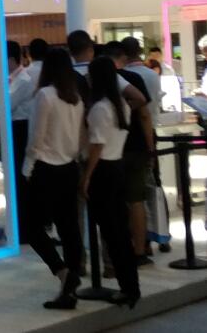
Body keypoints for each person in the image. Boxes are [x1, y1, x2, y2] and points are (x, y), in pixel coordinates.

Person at [23, 48, 84, 310]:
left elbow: (36, 137)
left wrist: (27, 168)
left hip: (45, 169)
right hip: (69, 168)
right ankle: (69, 284)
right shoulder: (76, 99)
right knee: (69, 229)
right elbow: (79, 138)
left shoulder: (45, 95)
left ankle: (62, 273)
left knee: (32, 228)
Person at [81, 58, 140, 308]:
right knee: (120, 233)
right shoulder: (122, 105)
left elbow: (96, 146)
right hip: (117, 167)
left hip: (102, 171)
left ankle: (127, 289)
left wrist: (86, 177)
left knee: (111, 233)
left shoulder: (99, 108)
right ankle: (131, 286)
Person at [107, 41, 157, 264]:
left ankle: (117, 252)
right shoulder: (133, 79)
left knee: (114, 203)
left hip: (110, 149)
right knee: (136, 200)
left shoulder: (100, 81)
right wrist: (150, 147)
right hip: (136, 146)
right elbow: (145, 115)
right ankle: (139, 250)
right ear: (124, 57)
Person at [3, 41, 36, 242]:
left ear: (10, 59)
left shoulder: (23, 80)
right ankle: (20, 227)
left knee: (20, 181)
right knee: (15, 180)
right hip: (15, 129)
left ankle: (25, 229)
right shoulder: (12, 79)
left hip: (20, 130)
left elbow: (3, 105)